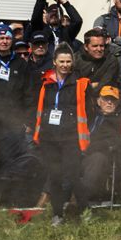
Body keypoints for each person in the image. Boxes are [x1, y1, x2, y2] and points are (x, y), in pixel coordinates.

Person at [31, 46, 95, 224]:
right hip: (49, 137)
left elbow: (90, 111)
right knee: (55, 176)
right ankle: (57, 214)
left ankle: (85, 211)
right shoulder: (46, 82)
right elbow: (40, 109)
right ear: (54, 62)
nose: (65, 65)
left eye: (68, 61)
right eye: (62, 61)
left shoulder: (81, 83)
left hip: (71, 137)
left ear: (72, 63)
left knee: (73, 175)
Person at [0, 23, 38, 205]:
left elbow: (29, 95)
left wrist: (27, 121)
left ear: (13, 40)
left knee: (10, 163)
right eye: (1, 38)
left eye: (7, 38)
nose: (4, 41)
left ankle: (7, 200)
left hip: (12, 125)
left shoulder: (22, 65)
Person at [73, 28, 121, 93]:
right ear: (86, 47)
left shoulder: (111, 60)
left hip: (102, 98)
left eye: (101, 46)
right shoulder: (75, 59)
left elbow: (106, 83)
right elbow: (70, 84)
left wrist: (86, 87)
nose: (99, 49)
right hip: (77, 97)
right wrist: (90, 85)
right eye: (95, 46)